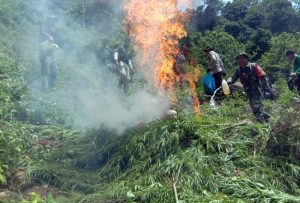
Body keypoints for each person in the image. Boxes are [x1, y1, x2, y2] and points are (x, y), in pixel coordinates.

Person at [227, 53, 272, 122]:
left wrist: (266, 89)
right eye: (238, 59)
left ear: (247, 59)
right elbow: (233, 78)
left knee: (258, 108)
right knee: (254, 109)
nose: (240, 60)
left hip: (257, 90)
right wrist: (228, 81)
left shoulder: (254, 66)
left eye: (242, 58)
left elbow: (262, 76)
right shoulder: (238, 69)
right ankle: (262, 123)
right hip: (248, 91)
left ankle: (269, 121)